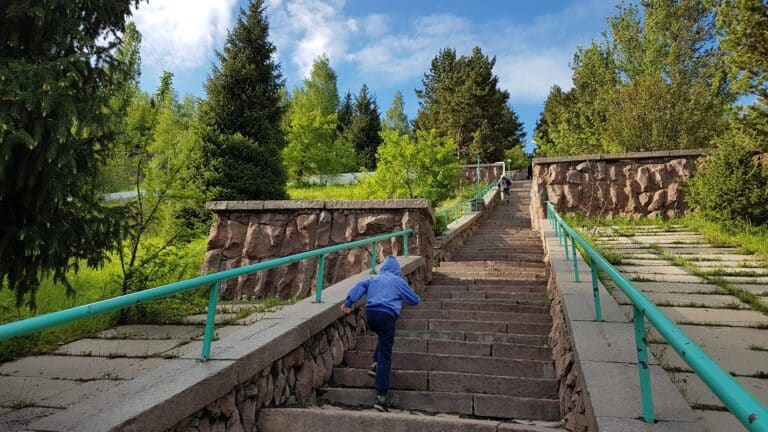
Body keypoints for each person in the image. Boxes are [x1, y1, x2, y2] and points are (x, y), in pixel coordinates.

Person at [340, 255, 420, 412]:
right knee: (386, 354)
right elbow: (414, 300)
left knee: (383, 338)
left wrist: (349, 302)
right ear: (397, 270)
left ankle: (375, 364)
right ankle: (381, 397)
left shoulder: (374, 278)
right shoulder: (398, 281)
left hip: (371, 316)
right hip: (387, 316)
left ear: (383, 268)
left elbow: (359, 285)